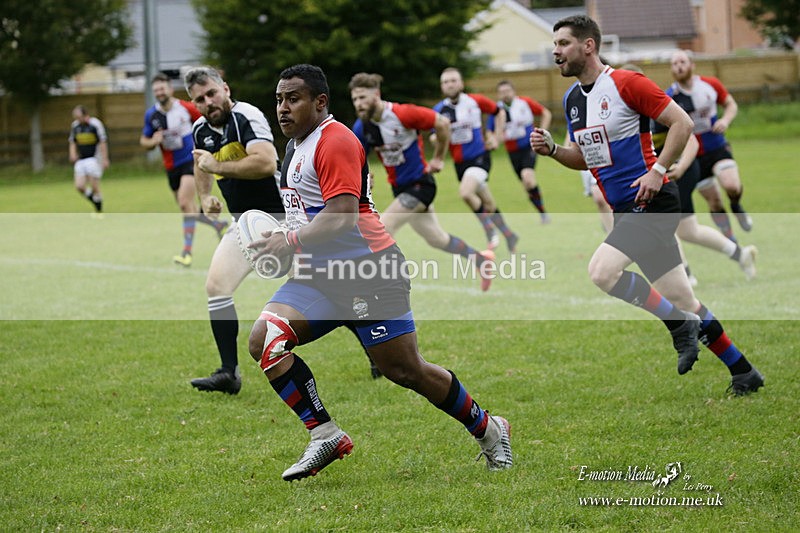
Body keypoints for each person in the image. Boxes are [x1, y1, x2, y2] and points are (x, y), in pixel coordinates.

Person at [247, 64, 512, 481]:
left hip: (370, 271)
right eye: (279, 99)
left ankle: (489, 428)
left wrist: (291, 242)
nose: (282, 108)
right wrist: (279, 237)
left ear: (320, 102)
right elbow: (307, 215)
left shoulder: (334, 140)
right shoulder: (295, 146)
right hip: (318, 275)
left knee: (406, 371)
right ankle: (325, 434)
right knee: (266, 340)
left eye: (292, 98)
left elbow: (341, 216)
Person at [530, 15, 763, 395]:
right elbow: (584, 157)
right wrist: (554, 150)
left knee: (602, 272)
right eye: (554, 44)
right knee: (683, 297)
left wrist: (657, 170)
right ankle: (743, 371)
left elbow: (682, 124)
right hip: (627, 208)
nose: (555, 51)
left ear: (588, 46)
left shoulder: (626, 82)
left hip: (654, 201)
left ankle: (677, 325)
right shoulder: (572, 100)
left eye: (563, 43)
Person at [183, 66, 284, 395]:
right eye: (200, 99)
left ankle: (374, 348)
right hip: (245, 222)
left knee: (324, 284)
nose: (208, 102)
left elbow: (266, 162)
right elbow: (202, 165)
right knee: (217, 286)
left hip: (282, 219)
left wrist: (218, 167)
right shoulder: (200, 129)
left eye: (212, 93)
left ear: (225, 88)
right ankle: (229, 372)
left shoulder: (246, 116)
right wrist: (206, 195)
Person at [348, 72, 495, 291]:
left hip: (421, 185)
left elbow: (442, 123)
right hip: (401, 190)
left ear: (377, 95)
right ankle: (480, 260)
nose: (358, 104)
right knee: (437, 239)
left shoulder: (402, 113)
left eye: (363, 98)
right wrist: (363, 175)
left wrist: (437, 157)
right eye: (355, 99)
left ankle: (382, 289)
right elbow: (356, 158)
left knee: (382, 228)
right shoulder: (362, 127)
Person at [140, 72, 228, 267]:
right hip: (171, 167)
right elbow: (144, 140)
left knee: (183, 203)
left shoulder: (186, 108)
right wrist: (152, 141)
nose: (160, 92)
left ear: (170, 89)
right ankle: (218, 225)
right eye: (156, 90)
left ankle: (186, 253)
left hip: (190, 161)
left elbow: (209, 121)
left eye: (162, 88)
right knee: (189, 209)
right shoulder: (152, 115)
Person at [667, 50, 753, 241]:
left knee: (731, 185)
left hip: (717, 147)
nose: (679, 66)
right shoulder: (670, 96)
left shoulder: (709, 85)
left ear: (692, 64)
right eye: (674, 64)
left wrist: (725, 120)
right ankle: (731, 238)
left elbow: (731, 105)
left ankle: (736, 205)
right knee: (714, 202)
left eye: (682, 62)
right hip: (694, 157)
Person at [434, 68, 519, 252]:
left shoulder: (475, 101)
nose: (450, 84)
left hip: (480, 159)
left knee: (466, 193)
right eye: (446, 82)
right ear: (442, 86)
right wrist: (438, 139)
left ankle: (489, 232)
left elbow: (500, 112)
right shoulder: (439, 110)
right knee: (487, 204)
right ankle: (509, 235)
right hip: (459, 165)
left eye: (453, 80)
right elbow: (435, 136)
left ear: (461, 83)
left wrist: (497, 137)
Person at [490, 80, 552, 223]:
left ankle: (543, 214)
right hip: (512, 152)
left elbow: (545, 113)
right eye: (502, 92)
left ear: (513, 91)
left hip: (529, 147)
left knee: (528, 178)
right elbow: (491, 132)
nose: (505, 94)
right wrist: (493, 139)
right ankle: (542, 212)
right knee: (527, 185)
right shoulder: (497, 111)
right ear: (498, 95)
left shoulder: (524, 103)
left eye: (507, 91)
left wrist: (542, 134)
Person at [69, 105, 108, 216]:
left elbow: (102, 141)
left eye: (79, 117)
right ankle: (95, 200)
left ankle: (99, 211)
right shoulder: (75, 126)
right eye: (75, 117)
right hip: (81, 160)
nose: (77, 119)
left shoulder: (95, 124)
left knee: (94, 186)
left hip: (94, 159)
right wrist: (72, 154)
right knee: (79, 186)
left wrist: (105, 159)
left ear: (86, 115)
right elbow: (72, 141)